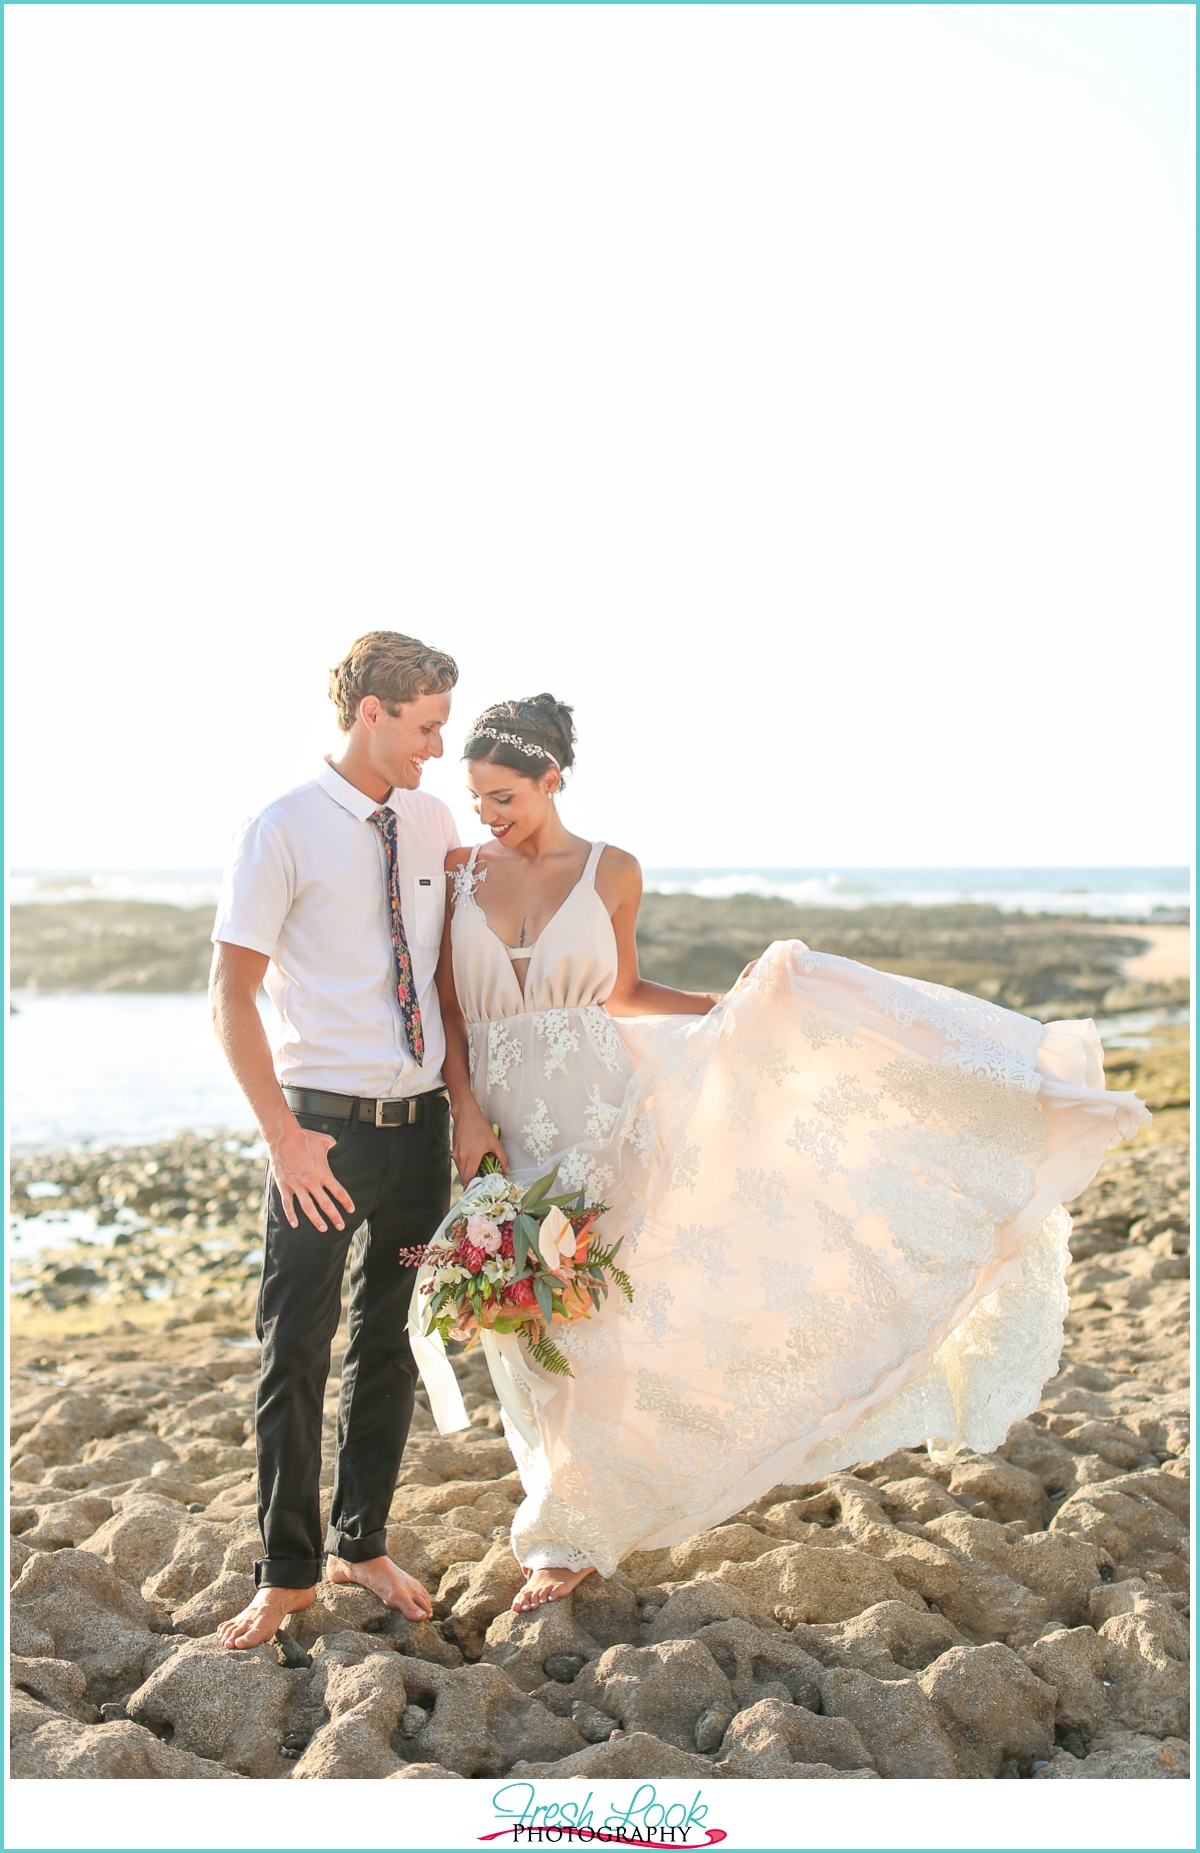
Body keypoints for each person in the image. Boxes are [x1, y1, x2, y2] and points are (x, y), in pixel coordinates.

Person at [433, 694, 1151, 1612]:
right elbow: (452, 1009)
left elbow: (620, 989)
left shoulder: (612, 869)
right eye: (477, 797)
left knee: (593, 1309)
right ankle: (564, 1507)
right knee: (519, 1315)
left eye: (504, 796)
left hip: (602, 1109)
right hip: (501, 1118)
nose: (488, 815)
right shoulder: (455, 870)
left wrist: (728, 1010)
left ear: (551, 779)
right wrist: (464, 1109)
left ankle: (567, 1528)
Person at [208, 631, 460, 1650]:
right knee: (297, 1344)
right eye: (427, 725)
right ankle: (289, 1571)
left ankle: (363, 1538)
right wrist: (283, 1138)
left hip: (421, 1131)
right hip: (322, 1133)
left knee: (395, 1337)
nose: (438, 748)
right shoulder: (283, 827)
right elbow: (229, 993)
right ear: (372, 712)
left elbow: (446, 973)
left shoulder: (435, 818)